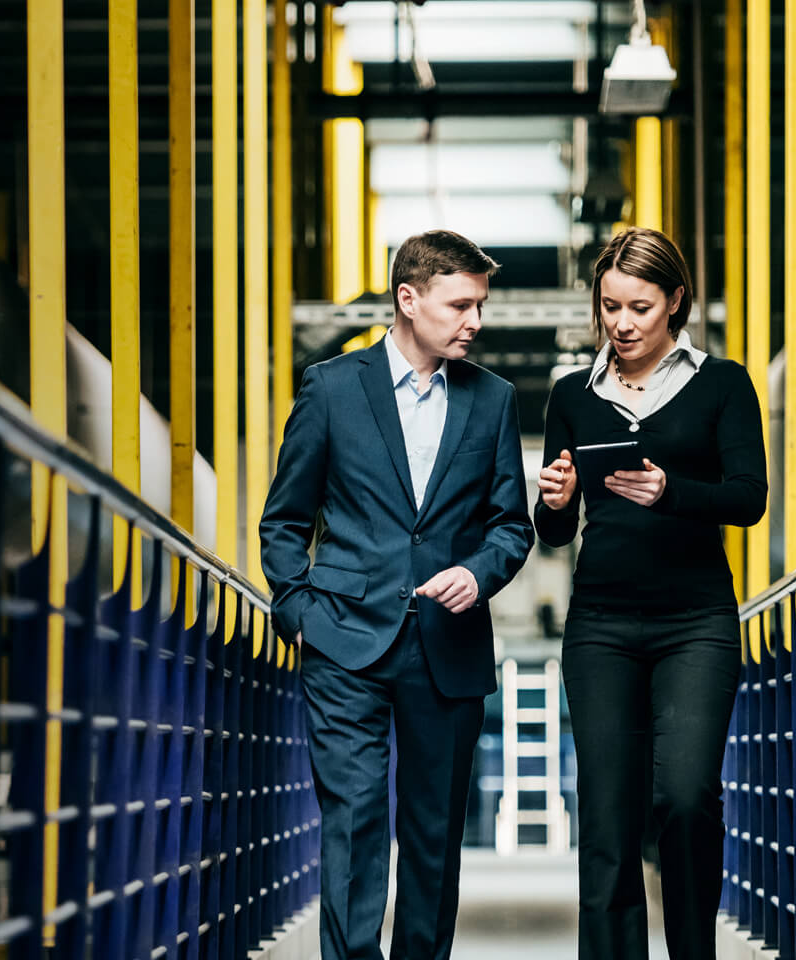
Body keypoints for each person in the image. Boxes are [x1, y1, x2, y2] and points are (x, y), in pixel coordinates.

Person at [261, 229, 534, 960]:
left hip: (448, 648)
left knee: (433, 833)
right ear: (408, 299)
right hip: (343, 640)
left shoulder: (494, 400)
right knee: (351, 822)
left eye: (480, 305)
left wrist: (479, 572)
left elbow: (512, 525)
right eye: (461, 304)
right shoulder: (330, 388)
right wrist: (298, 612)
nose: (475, 320)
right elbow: (284, 518)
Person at [534, 226, 766, 959]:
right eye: (609, 307)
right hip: (600, 621)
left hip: (696, 619)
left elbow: (747, 497)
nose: (622, 324)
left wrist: (670, 493)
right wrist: (556, 498)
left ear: (674, 301)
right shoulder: (572, 396)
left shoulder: (723, 385)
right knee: (607, 818)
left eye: (638, 306)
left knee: (687, 798)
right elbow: (554, 532)